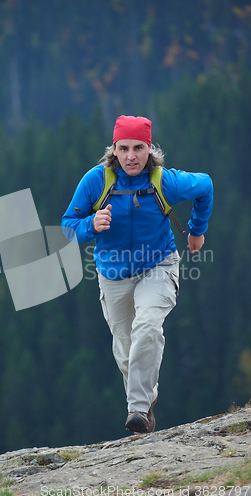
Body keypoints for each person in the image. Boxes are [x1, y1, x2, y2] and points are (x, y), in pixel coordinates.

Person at [61, 115, 213, 434]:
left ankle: (139, 410)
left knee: (147, 326)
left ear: (149, 149)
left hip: (158, 264)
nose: (131, 156)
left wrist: (197, 231)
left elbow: (205, 185)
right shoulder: (96, 181)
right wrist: (91, 225)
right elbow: (67, 226)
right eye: (124, 148)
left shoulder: (164, 180)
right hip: (113, 275)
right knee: (126, 348)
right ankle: (145, 401)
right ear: (114, 149)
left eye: (138, 148)